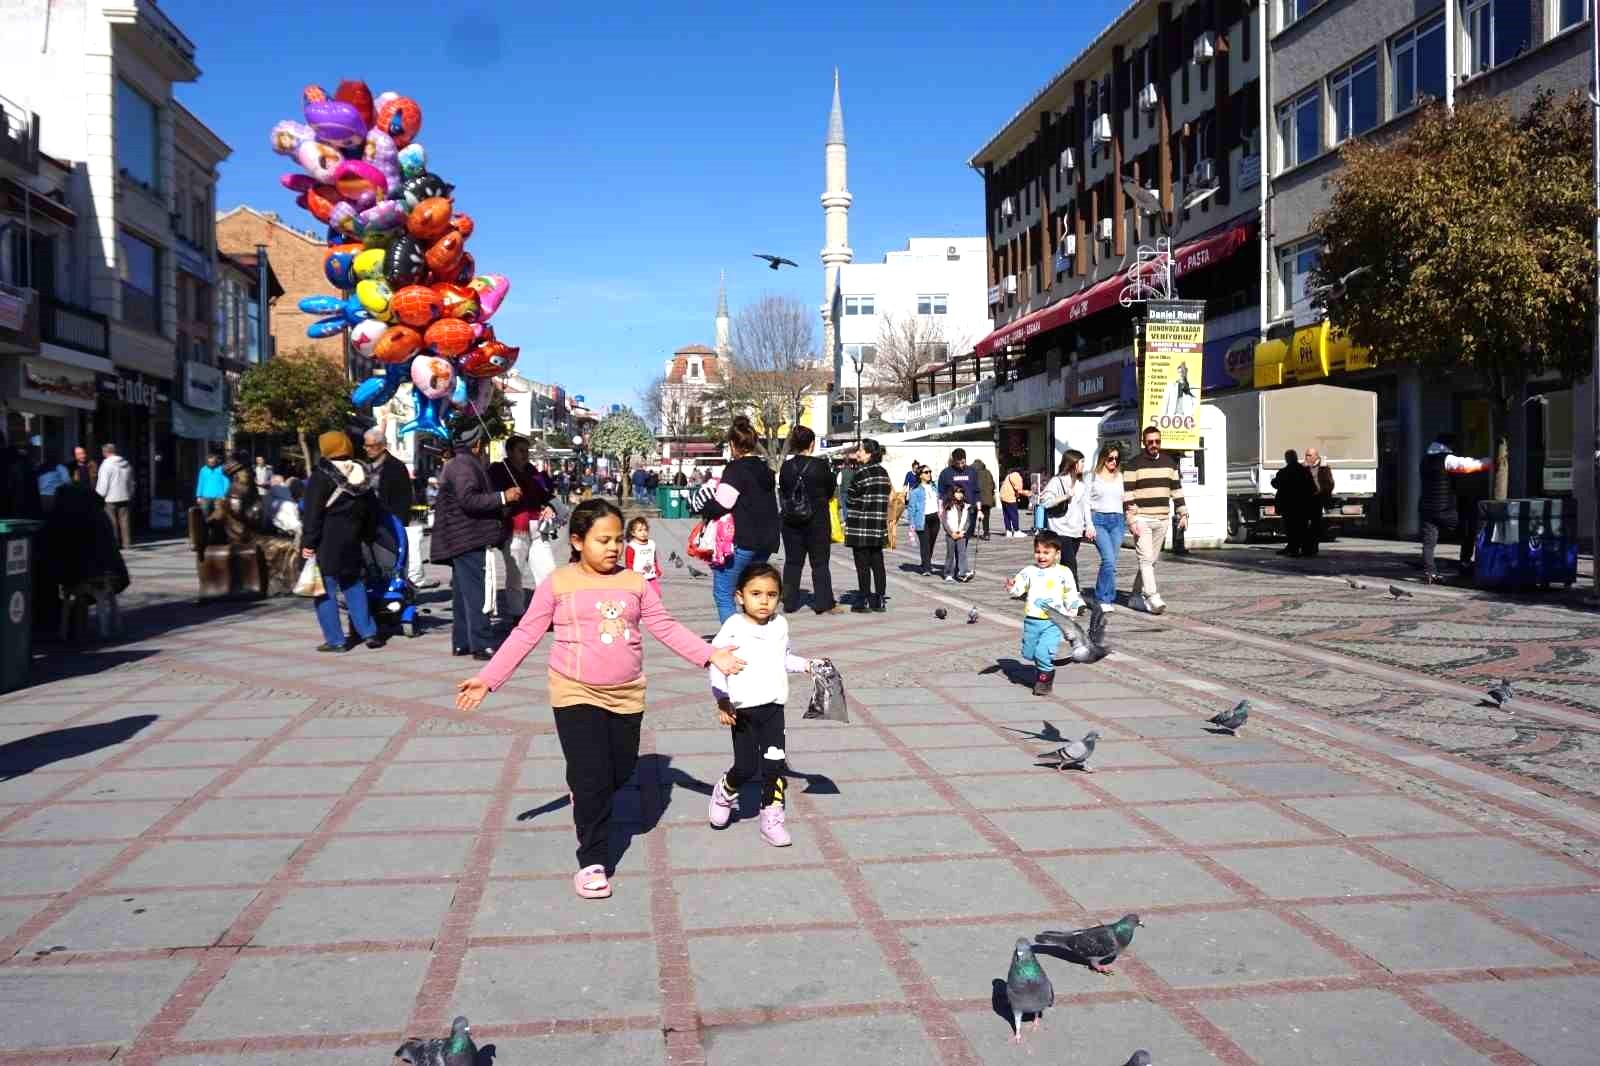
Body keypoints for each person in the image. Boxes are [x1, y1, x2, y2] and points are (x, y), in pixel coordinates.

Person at [456, 499, 746, 900]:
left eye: (617, 539)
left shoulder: (634, 583)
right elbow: (525, 635)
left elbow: (665, 627)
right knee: (593, 779)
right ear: (576, 540)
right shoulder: (557, 584)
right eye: (602, 539)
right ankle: (592, 861)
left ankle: (585, 786)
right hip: (573, 691)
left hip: (627, 694)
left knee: (621, 770)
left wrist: (711, 654)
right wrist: (488, 680)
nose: (612, 547)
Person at [706, 563, 811, 847]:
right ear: (740, 596)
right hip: (743, 711)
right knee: (746, 766)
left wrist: (807, 665)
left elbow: (784, 659)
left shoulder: (780, 625)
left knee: (774, 765)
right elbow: (717, 664)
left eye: (771, 594)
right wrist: (722, 700)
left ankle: (772, 818)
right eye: (756, 593)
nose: (764, 601)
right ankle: (725, 791)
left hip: (774, 709)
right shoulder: (733, 627)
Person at [432, 424, 521, 659]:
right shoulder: (463, 465)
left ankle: (462, 642)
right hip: (468, 536)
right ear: (477, 444)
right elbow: (469, 499)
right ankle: (481, 645)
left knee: (463, 594)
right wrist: (504, 496)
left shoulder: (460, 463)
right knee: (476, 594)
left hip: (463, 537)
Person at [301, 430, 382, 651]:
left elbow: (313, 514)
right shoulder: (362, 474)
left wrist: (308, 543)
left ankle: (336, 640)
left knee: (325, 590)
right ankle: (369, 632)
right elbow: (372, 512)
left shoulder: (321, 476)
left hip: (326, 542)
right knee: (354, 585)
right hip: (353, 541)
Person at [700, 416, 779, 625]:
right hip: (767, 540)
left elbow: (722, 505)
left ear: (733, 445)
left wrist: (703, 504)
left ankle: (735, 641)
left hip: (743, 541)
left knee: (724, 593)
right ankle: (759, 635)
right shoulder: (767, 471)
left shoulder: (735, 470)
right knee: (752, 592)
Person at [1006, 530, 1084, 696]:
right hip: (1032, 619)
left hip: (1053, 621)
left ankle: (1045, 679)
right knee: (1029, 653)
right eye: (1038, 552)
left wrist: (1072, 612)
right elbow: (1018, 589)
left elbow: (1071, 592)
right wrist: (1012, 586)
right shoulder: (1029, 571)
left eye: (1046, 552)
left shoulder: (1064, 572)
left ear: (1057, 554)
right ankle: (1042, 668)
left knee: (1043, 652)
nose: (1041, 556)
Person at [1122, 426, 1188, 615]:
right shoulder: (1133, 464)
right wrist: (1131, 520)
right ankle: (1152, 596)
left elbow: (1176, 490)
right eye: (1150, 442)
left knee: (1150, 560)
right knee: (1145, 558)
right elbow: (1127, 494)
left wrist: (1183, 513)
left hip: (1162, 519)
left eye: (1157, 441)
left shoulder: (1170, 463)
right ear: (1144, 443)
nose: (1154, 445)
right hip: (1141, 518)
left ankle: (1135, 596)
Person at [777, 425, 840, 615]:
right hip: (817, 520)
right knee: (820, 563)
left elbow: (784, 489)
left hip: (791, 521)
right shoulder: (820, 466)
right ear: (812, 444)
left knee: (793, 562)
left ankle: (789, 602)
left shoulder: (786, 467)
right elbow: (830, 490)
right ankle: (823, 602)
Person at [492, 435, 555, 615]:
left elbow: (545, 494)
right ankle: (516, 613)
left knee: (548, 571)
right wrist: (506, 495)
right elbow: (492, 496)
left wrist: (548, 506)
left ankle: (546, 612)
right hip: (515, 528)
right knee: (515, 575)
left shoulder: (531, 470)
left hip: (538, 527)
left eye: (527, 451)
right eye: (521, 451)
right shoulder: (498, 470)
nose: (525, 455)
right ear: (510, 451)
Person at [1419, 433, 1492, 584]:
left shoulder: (1425, 460)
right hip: (1444, 509)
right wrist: (1490, 461)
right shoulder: (1446, 458)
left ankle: (1429, 572)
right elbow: (1466, 466)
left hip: (1426, 508)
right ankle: (1465, 563)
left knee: (1429, 542)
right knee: (1468, 529)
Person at [362, 428, 430, 591]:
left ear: (381, 446)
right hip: (373, 522)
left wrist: (397, 523)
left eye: (370, 446)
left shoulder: (396, 467)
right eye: (366, 445)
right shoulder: (368, 466)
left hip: (393, 523)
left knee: (407, 552)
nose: (366, 449)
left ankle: (409, 586)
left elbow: (403, 499)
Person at [844, 438, 891, 613]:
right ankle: (879, 599)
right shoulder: (883, 473)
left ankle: (863, 599)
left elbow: (850, 498)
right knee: (878, 562)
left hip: (861, 525)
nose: (858, 453)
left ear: (869, 453)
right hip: (877, 525)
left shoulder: (861, 474)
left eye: (861, 450)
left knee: (862, 564)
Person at [1083, 443, 1126, 612]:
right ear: (1103, 459)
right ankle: (1101, 598)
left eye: (1116, 459)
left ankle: (1108, 597)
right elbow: (1086, 503)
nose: (1113, 462)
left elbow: (1126, 498)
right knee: (1108, 559)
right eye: (1110, 459)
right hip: (1099, 519)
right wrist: (1089, 525)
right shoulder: (1092, 477)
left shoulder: (1121, 477)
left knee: (1112, 562)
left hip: (1117, 521)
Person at [1037, 450, 1088, 588]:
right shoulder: (1057, 481)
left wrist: (1089, 525)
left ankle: (1054, 589)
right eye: (1081, 462)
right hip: (1060, 529)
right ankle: (1074, 595)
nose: (1084, 465)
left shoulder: (1081, 484)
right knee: (1070, 564)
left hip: (1076, 530)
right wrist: (1065, 496)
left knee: (1064, 564)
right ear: (1072, 463)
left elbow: (1085, 506)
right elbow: (1044, 502)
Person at [1272, 450, 1316, 557]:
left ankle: (1293, 548)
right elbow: (1312, 487)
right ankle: (1305, 549)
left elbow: (1275, 483)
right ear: (1296, 458)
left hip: (1288, 505)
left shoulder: (1284, 472)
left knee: (1291, 528)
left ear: (1287, 459)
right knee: (1303, 527)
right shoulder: (1304, 471)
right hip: (1302, 505)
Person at [95, 443, 134, 549]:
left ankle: (115, 543)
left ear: (105, 452)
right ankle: (127, 543)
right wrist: (130, 493)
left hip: (110, 497)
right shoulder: (126, 464)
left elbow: (103, 483)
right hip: (125, 495)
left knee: (111, 521)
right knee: (124, 520)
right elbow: (131, 482)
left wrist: (99, 495)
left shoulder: (106, 465)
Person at [906, 465, 941, 575]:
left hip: (935, 518)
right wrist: (911, 524)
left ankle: (926, 562)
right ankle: (927, 568)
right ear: (920, 475)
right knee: (925, 544)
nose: (929, 474)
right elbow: (911, 508)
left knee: (931, 543)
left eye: (930, 472)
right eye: (926, 472)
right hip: (922, 519)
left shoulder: (934, 487)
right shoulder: (915, 491)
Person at [936, 449, 979, 537]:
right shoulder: (946, 473)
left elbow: (977, 491)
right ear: (953, 461)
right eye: (957, 463)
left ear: (965, 459)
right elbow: (941, 492)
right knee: (953, 537)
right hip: (952, 510)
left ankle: (962, 550)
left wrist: (979, 509)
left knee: (966, 536)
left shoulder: (972, 472)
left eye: (962, 463)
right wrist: (940, 508)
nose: (960, 466)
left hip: (969, 509)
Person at [1304, 447, 1335, 553]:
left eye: (1309, 455)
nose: (1307, 457)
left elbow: (1330, 483)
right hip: (1305, 499)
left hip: (1317, 498)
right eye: (1306, 455)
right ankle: (1306, 546)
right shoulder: (1303, 467)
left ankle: (1313, 546)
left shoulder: (1324, 468)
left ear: (1316, 456)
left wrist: (1323, 493)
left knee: (1315, 524)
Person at [942, 484, 974, 583]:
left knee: (962, 553)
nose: (960, 494)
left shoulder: (966, 506)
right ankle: (948, 573)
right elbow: (944, 521)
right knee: (950, 554)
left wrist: (963, 531)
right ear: (953, 493)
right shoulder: (948, 505)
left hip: (961, 534)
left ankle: (963, 572)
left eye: (961, 492)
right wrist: (951, 533)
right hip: (950, 534)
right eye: (957, 492)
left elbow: (968, 521)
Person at [625, 516, 661, 593]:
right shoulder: (631, 547)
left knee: (656, 593)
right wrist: (630, 576)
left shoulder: (651, 543)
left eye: (645, 530)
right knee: (640, 595)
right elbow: (629, 563)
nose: (643, 532)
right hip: (638, 578)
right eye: (640, 530)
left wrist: (657, 569)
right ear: (633, 532)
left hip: (651, 576)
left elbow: (654, 559)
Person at [998, 463, 1031, 537]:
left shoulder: (1010, 475)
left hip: (1003, 496)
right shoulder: (1017, 476)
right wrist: (1028, 493)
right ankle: (1016, 531)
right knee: (1014, 514)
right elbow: (1019, 489)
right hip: (1009, 497)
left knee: (1006, 515)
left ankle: (1008, 530)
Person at [972, 458, 997, 539]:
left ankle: (971, 532)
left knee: (972, 516)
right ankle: (986, 533)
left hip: (976, 499)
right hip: (987, 499)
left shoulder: (972, 472)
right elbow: (993, 485)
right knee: (986, 517)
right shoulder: (988, 472)